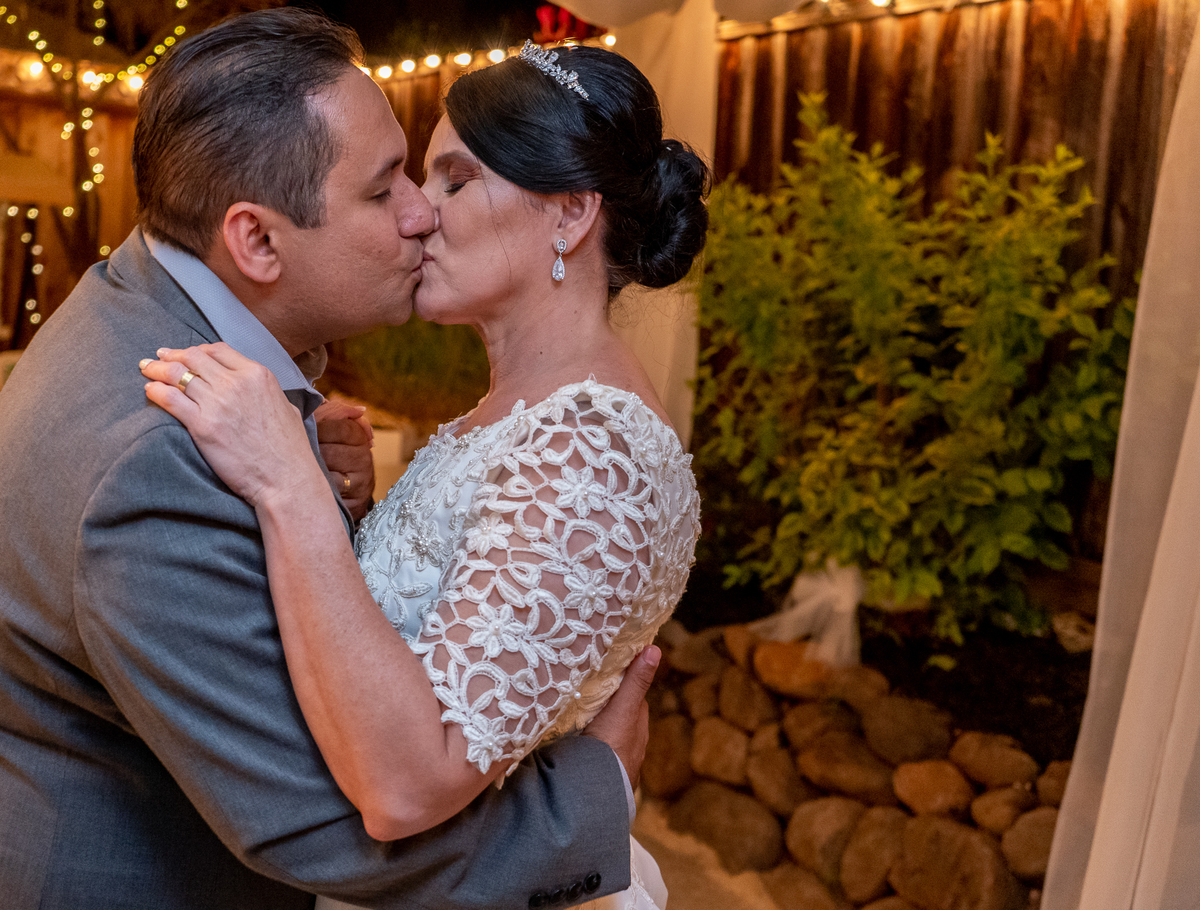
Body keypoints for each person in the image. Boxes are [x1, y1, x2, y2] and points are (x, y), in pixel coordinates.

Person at [0, 10, 655, 910]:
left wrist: (319, 501)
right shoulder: (153, 459)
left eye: (443, 178)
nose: (421, 214)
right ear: (257, 241)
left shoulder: (130, 305)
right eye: (386, 190)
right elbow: (320, 819)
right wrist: (594, 798)